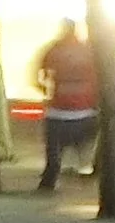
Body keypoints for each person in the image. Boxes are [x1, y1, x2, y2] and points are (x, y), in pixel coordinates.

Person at [33, 20, 99, 190]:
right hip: (85, 110)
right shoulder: (89, 50)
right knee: (85, 148)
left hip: (57, 111)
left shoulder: (54, 49)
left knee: (54, 152)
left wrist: (44, 89)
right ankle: (85, 171)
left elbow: (36, 74)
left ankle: (49, 180)